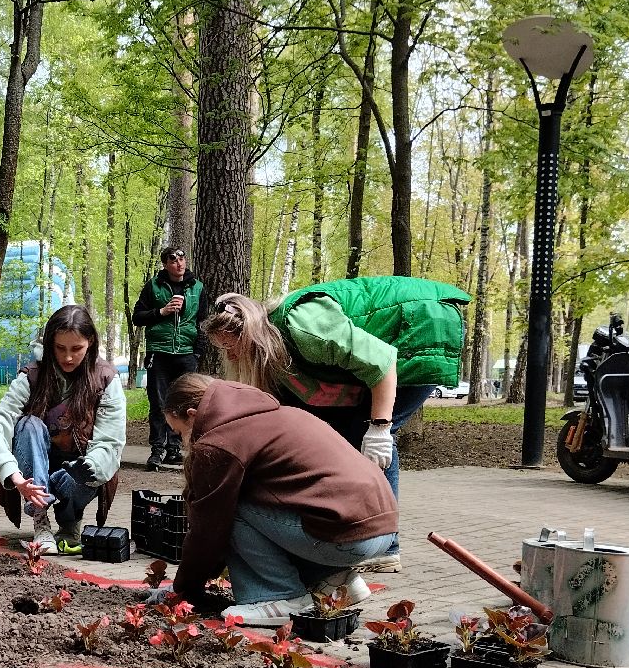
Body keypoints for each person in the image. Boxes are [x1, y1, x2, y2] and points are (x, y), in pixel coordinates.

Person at [200, 277, 468, 572]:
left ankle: (385, 545)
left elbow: (382, 364)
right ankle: (351, 528)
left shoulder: (304, 325)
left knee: (364, 434)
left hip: (422, 327)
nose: (230, 356)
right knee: (336, 438)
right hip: (386, 350)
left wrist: (379, 428)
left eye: (230, 346)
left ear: (248, 332)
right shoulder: (276, 352)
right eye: (222, 349)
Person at [152, 373, 398, 627]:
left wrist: (182, 591)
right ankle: (334, 579)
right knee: (261, 505)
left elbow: (208, 529)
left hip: (345, 534)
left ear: (193, 415)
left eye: (179, 432)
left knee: (228, 511)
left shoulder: (219, 441)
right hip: (380, 529)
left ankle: (280, 596)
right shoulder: (273, 413)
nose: (183, 442)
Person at [0, 305, 126, 555]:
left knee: (88, 470)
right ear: (50, 344)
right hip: (35, 471)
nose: (68, 357)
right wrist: (13, 475)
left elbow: (111, 441)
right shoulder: (32, 376)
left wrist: (90, 467)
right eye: (60, 348)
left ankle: (70, 523)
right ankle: (40, 520)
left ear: (90, 342)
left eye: (76, 349)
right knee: (28, 425)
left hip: (79, 470)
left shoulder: (106, 380)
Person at [133, 245, 205, 470]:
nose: (179, 263)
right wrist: (161, 312)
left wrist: (198, 351)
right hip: (159, 353)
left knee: (184, 403)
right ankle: (157, 449)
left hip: (186, 354)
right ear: (165, 264)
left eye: (182, 259)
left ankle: (175, 449)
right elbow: (137, 317)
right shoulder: (153, 286)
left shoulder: (197, 287)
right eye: (173, 260)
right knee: (158, 403)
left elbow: (202, 321)